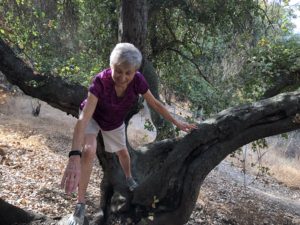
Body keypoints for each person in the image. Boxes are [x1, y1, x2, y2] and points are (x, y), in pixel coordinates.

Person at [60, 43, 197, 225]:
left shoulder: (138, 81)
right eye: (119, 71)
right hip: (94, 116)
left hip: (113, 122)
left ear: (135, 72)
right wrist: (73, 158)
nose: (123, 77)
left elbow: (155, 104)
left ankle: (129, 177)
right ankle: (80, 205)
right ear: (111, 67)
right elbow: (83, 119)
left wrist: (178, 123)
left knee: (123, 153)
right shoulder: (100, 81)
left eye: (128, 73)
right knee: (88, 150)